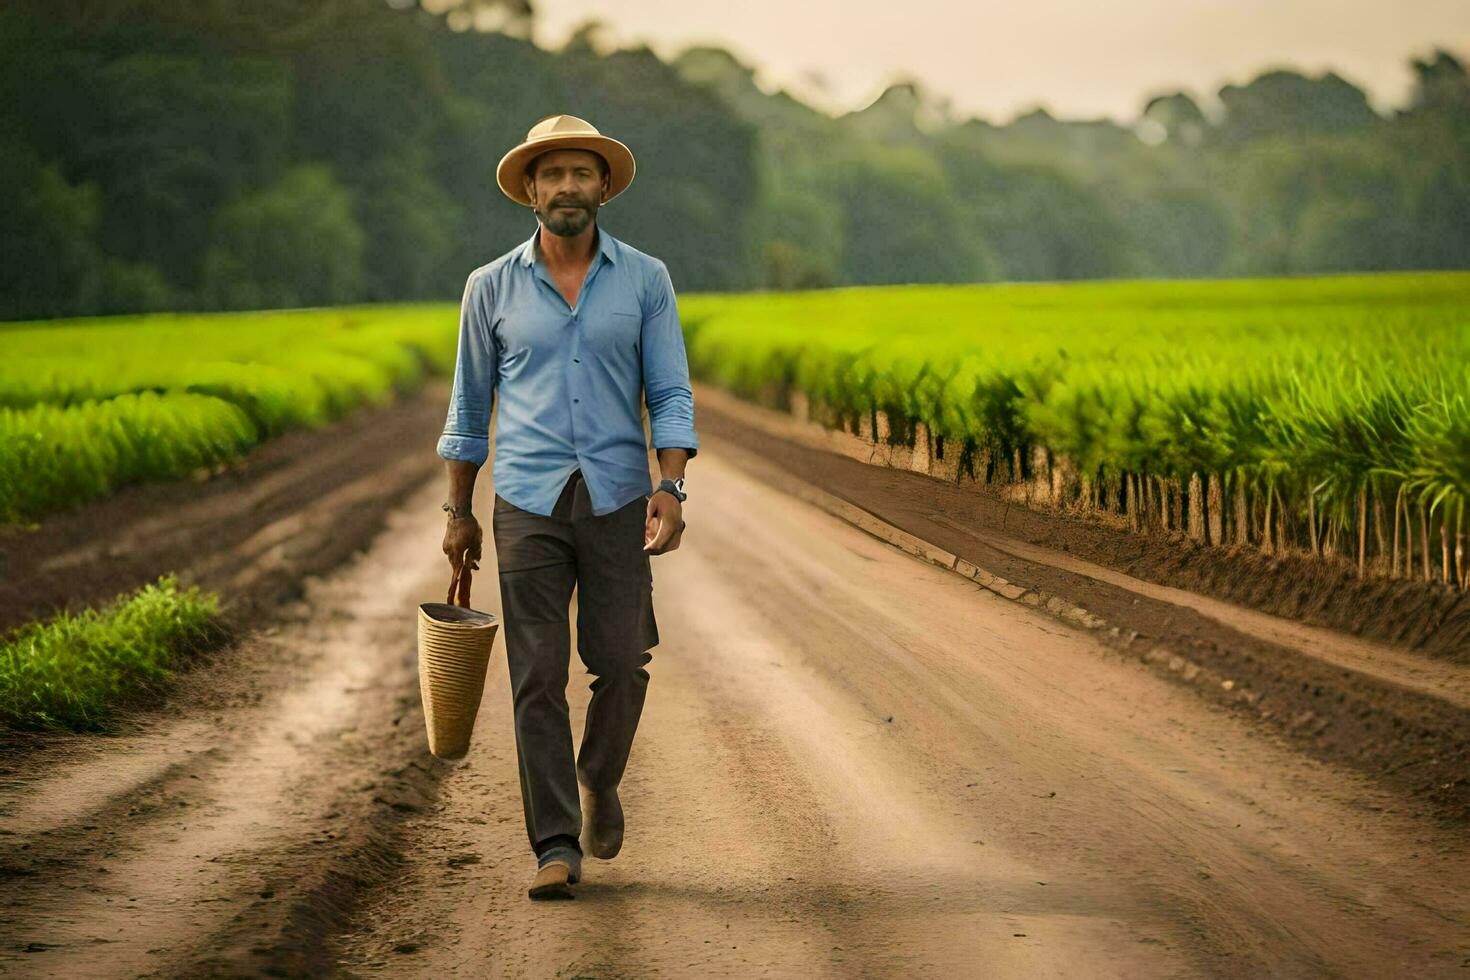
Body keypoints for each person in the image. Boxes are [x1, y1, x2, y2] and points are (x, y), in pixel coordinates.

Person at [436, 114, 698, 901]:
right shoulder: (491, 287)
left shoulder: (646, 279)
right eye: (551, 176)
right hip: (525, 501)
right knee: (536, 678)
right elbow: (466, 406)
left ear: (604, 187)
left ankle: (598, 776)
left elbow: (670, 391)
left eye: (582, 174)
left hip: (618, 495)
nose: (567, 188)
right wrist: (458, 511)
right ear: (530, 192)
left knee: (621, 662)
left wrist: (671, 486)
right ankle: (554, 844)